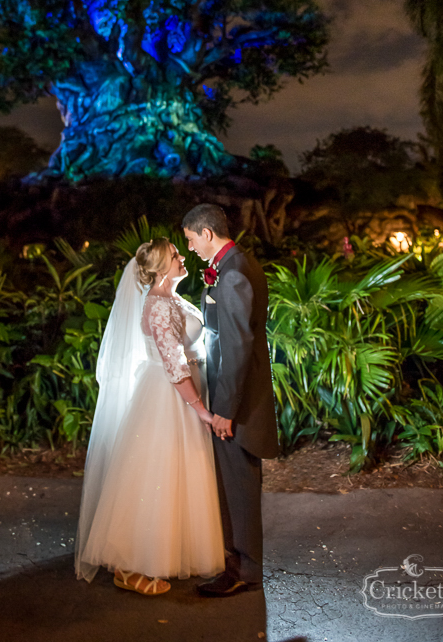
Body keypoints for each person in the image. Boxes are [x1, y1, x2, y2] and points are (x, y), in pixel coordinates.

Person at [74, 238, 224, 595]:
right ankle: (130, 564)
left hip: (183, 391)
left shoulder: (173, 298)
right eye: (174, 255)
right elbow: (173, 364)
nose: (181, 257)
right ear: (159, 268)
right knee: (155, 475)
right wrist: (201, 409)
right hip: (166, 396)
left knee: (178, 476)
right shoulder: (156, 305)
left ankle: (170, 551)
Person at [182, 203, 279, 597]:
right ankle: (240, 565)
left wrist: (225, 410)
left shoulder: (234, 273)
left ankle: (242, 570)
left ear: (207, 233)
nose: (189, 248)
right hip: (236, 398)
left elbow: (237, 346)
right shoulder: (235, 265)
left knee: (237, 488)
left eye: (190, 239)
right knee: (235, 487)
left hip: (237, 404)